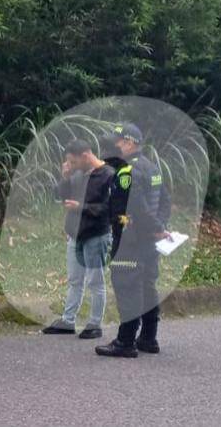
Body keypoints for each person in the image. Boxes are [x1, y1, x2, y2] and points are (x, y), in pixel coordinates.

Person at [96, 123, 171, 358]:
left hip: (130, 241)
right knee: (148, 286)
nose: (113, 147)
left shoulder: (128, 171)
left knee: (127, 286)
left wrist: (155, 228)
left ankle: (125, 341)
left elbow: (136, 205)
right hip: (148, 241)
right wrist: (159, 228)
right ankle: (148, 338)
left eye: (117, 142)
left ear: (129, 143)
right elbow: (165, 201)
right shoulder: (152, 167)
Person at [42, 140, 114, 339]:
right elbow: (59, 196)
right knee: (75, 280)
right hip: (75, 234)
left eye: (73, 162)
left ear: (86, 155)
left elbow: (110, 209)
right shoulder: (77, 173)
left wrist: (81, 207)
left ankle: (95, 324)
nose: (71, 166)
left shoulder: (108, 175)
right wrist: (65, 177)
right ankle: (68, 321)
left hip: (96, 235)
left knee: (95, 281)